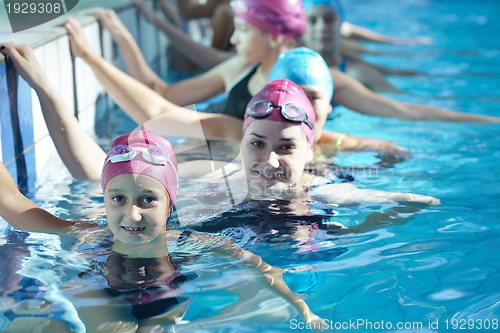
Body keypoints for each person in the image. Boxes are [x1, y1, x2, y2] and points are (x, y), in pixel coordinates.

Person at [0, 128, 327, 331]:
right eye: (118, 198)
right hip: (98, 290)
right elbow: (15, 207)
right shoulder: (90, 234)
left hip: (164, 298)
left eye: (147, 200)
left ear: (170, 204)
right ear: (104, 200)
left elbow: (260, 267)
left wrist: (302, 308)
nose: (132, 213)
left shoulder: (191, 243)